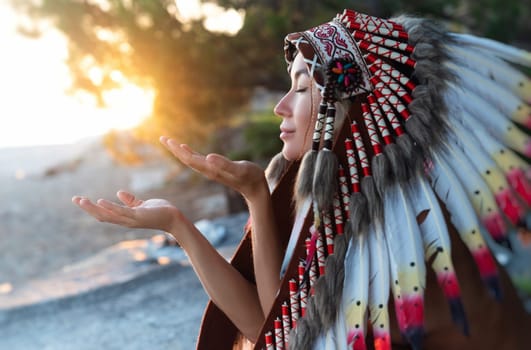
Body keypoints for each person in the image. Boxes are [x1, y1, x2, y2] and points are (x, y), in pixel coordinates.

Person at [73, 8, 531, 350]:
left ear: (345, 111)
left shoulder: (408, 232)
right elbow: (268, 321)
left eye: (302, 88)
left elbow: (282, 337)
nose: (281, 107)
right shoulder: (347, 207)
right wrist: (184, 222)